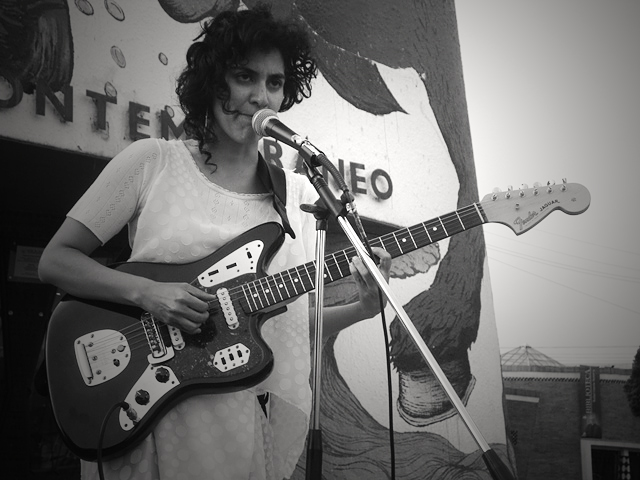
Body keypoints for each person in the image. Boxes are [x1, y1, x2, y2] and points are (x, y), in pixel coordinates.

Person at [38, 4, 391, 479]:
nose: (260, 96)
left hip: (238, 423)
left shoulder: (298, 198)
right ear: (213, 81)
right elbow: (55, 261)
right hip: (147, 407)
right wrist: (148, 293)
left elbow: (286, 325)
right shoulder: (152, 161)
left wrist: (362, 308)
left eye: (275, 82)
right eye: (245, 76)